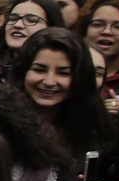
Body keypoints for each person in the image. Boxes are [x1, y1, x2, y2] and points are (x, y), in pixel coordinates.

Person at [12, 28, 112, 168]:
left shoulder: (97, 129)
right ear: (23, 72)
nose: (49, 81)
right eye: (39, 70)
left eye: (63, 73)